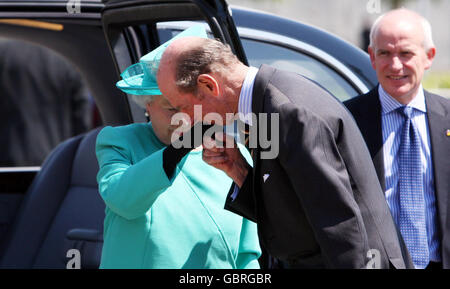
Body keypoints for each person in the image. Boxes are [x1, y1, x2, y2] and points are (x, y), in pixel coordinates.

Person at [156, 35, 413, 269]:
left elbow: (340, 225)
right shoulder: (260, 106)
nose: (187, 119)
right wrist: (241, 172)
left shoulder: (287, 111)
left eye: (183, 106)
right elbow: (290, 204)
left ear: (209, 85)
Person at [95, 26, 261, 269]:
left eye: (191, 106)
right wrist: (179, 149)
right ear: (147, 106)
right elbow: (123, 200)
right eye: (172, 108)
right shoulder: (121, 142)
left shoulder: (231, 154)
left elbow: (247, 254)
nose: (184, 118)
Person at [344, 9, 449, 269]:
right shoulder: (346, 120)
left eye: (406, 53)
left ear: (429, 56)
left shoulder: (447, 120)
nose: (395, 65)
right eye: (384, 53)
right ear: (371, 56)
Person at [0, 39, 91, 166]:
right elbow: (82, 119)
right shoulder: (67, 57)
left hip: (8, 166)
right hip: (55, 163)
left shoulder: (3, 52)